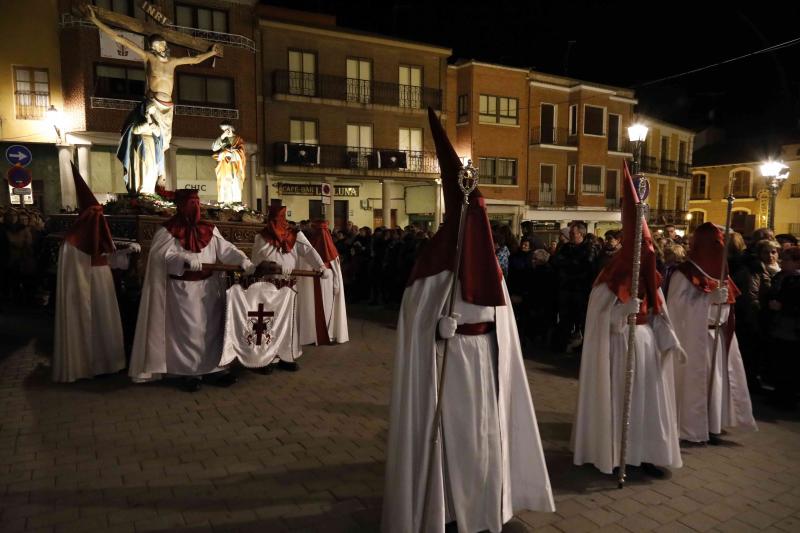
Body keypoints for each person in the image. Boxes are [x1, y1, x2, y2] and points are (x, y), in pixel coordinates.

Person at [382, 109, 554, 533]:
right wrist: (434, 333)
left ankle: (488, 509)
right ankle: (446, 512)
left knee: (486, 439)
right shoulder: (434, 264)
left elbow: (506, 323)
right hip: (449, 364)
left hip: (488, 365)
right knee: (451, 439)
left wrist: (498, 343)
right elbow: (413, 317)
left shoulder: (491, 269)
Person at [573, 167, 684, 478]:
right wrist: (620, 314)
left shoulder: (650, 274)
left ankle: (645, 453)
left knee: (648, 405)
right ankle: (615, 452)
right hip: (620, 347)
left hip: (646, 346)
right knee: (622, 402)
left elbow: (660, 310)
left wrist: (670, 338)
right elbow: (597, 316)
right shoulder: (609, 278)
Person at [129, 189, 255, 391]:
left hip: (210, 289)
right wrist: (183, 259)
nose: (195, 206)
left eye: (197, 201)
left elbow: (227, 249)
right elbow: (161, 258)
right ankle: (187, 373)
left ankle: (213, 369)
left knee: (211, 330)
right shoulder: (167, 231)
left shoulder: (209, 229)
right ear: (180, 205)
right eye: (190, 202)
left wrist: (243, 260)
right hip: (182, 290)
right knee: (188, 331)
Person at [86, 5, 221, 192]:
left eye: (162, 44)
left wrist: (212, 53)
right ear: (152, 48)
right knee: (152, 137)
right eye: (156, 46)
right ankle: (157, 174)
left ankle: (160, 174)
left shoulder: (173, 62)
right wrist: (95, 20)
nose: (160, 48)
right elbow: (121, 39)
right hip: (153, 102)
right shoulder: (149, 57)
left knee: (164, 141)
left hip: (168, 105)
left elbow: (196, 59)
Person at [667, 222, 757, 444]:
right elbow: (677, 309)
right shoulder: (685, 274)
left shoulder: (722, 273)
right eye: (715, 244)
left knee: (717, 382)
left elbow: (730, 303)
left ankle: (713, 423)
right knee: (697, 382)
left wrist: (724, 307)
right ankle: (692, 426)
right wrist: (707, 301)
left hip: (719, 335)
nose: (719, 248)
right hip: (695, 338)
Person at [53, 163, 140, 382]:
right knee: (87, 326)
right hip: (83, 293)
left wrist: (127, 253)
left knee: (105, 323)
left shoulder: (95, 235)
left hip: (103, 286)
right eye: (95, 215)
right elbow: (78, 270)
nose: (99, 219)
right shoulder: (71, 243)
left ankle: (108, 363)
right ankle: (82, 365)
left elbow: (108, 259)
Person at [250, 206, 330, 372]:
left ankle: (286, 355)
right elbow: (258, 259)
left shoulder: (294, 235)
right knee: (267, 323)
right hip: (267, 288)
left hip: (287, 287)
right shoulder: (262, 237)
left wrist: (321, 266)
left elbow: (309, 251)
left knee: (287, 322)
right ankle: (266, 358)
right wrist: (273, 266)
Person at [298, 220, 348, 346]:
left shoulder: (311, 249)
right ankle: (317, 334)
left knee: (323, 307)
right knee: (316, 306)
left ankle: (325, 334)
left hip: (325, 282)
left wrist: (336, 283)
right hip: (319, 281)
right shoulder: (312, 249)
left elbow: (335, 269)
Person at [212, 121, 246, 204]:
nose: (225, 131)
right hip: (224, 165)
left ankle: (236, 202)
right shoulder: (223, 138)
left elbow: (242, 151)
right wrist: (222, 137)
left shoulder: (238, 139)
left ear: (231, 128)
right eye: (223, 130)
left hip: (235, 164)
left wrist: (233, 152)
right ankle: (224, 202)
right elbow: (214, 148)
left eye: (226, 129)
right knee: (224, 183)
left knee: (235, 183)